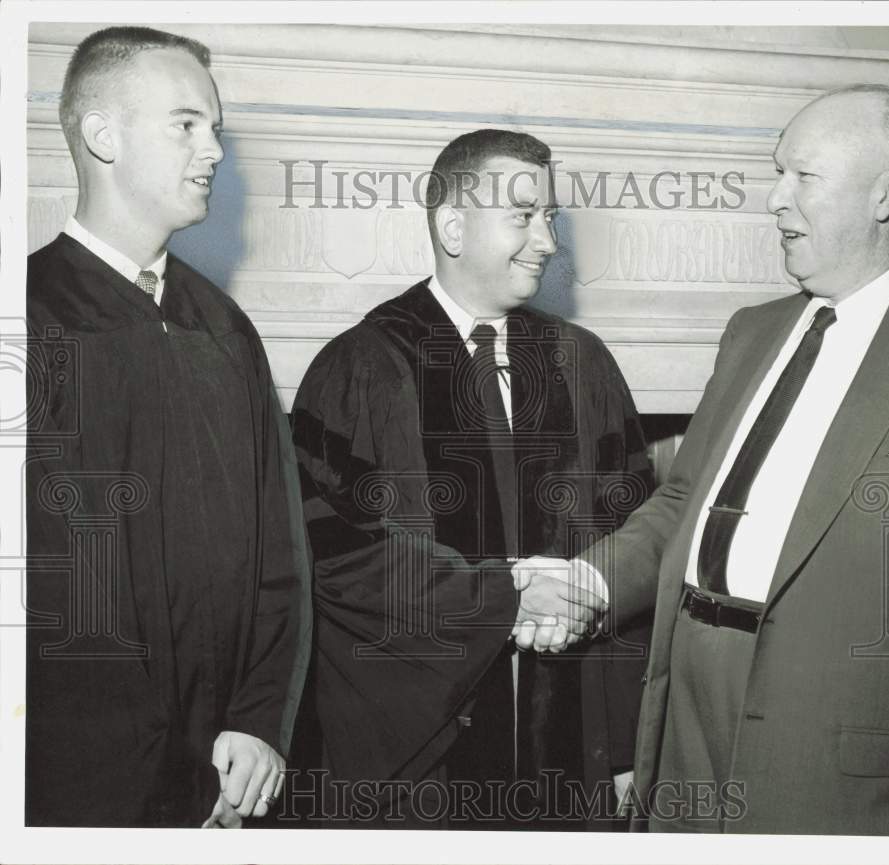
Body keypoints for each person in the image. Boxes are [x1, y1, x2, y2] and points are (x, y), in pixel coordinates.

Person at [515, 85, 889, 835]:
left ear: (886, 193)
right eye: (776, 172)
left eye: (802, 176)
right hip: (684, 714)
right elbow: (682, 503)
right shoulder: (752, 332)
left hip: (831, 770)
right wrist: (587, 580)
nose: (773, 198)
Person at [291, 128, 654, 828]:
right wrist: (504, 595)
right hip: (422, 756)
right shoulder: (360, 367)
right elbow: (336, 558)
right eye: (523, 216)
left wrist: (626, 741)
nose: (548, 241)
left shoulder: (583, 363)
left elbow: (634, 536)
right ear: (453, 226)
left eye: (549, 217)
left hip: (569, 747)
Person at [26, 26, 307, 828]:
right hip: (75, 786)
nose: (214, 149)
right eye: (187, 124)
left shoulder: (223, 328)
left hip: (226, 774)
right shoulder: (28, 319)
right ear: (101, 134)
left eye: (214, 127)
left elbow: (278, 554)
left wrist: (259, 723)